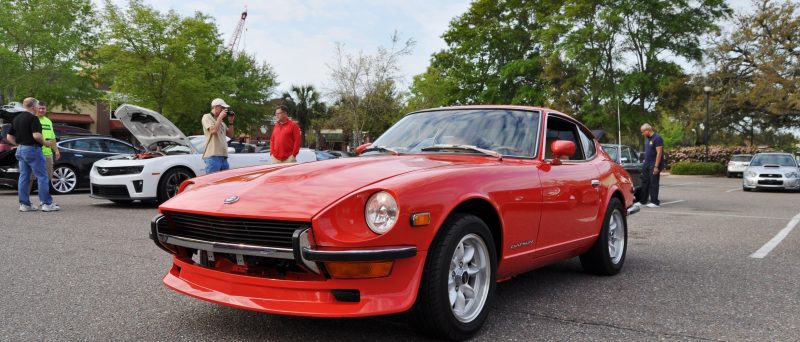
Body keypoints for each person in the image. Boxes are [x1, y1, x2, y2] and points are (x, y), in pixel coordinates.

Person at [7, 97, 58, 212]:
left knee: (23, 177)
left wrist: (20, 144)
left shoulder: (16, 119)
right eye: (37, 105)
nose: (38, 107)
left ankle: (25, 204)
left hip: (20, 149)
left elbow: (9, 137)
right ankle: (46, 204)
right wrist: (45, 143)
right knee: (42, 176)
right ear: (33, 106)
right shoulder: (34, 119)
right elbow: (36, 136)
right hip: (33, 150)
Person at [29, 101, 60, 196]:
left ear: (46, 109)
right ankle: (25, 202)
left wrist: (56, 150)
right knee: (30, 178)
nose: (41, 110)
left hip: (48, 154)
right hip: (35, 152)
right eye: (40, 108)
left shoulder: (48, 121)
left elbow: (52, 138)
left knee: (47, 178)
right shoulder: (33, 119)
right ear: (36, 108)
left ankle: (44, 201)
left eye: (43, 108)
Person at [201, 98, 235, 173]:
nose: (224, 110)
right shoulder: (206, 117)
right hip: (213, 156)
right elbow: (213, 131)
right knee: (211, 182)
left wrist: (231, 122)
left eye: (225, 108)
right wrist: (219, 118)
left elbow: (230, 135)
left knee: (223, 182)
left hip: (223, 156)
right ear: (215, 107)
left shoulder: (221, 122)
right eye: (222, 108)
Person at [639, 123, 664, 208]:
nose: (642, 134)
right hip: (647, 162)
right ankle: (643, 201)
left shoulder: (657, 138)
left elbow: (659, 153)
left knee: (653, 182)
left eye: (643, 132)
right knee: (645, 181)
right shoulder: (647, 139)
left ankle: (655, 202)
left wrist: (656, 166)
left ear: (648, 130)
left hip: (654, 163)